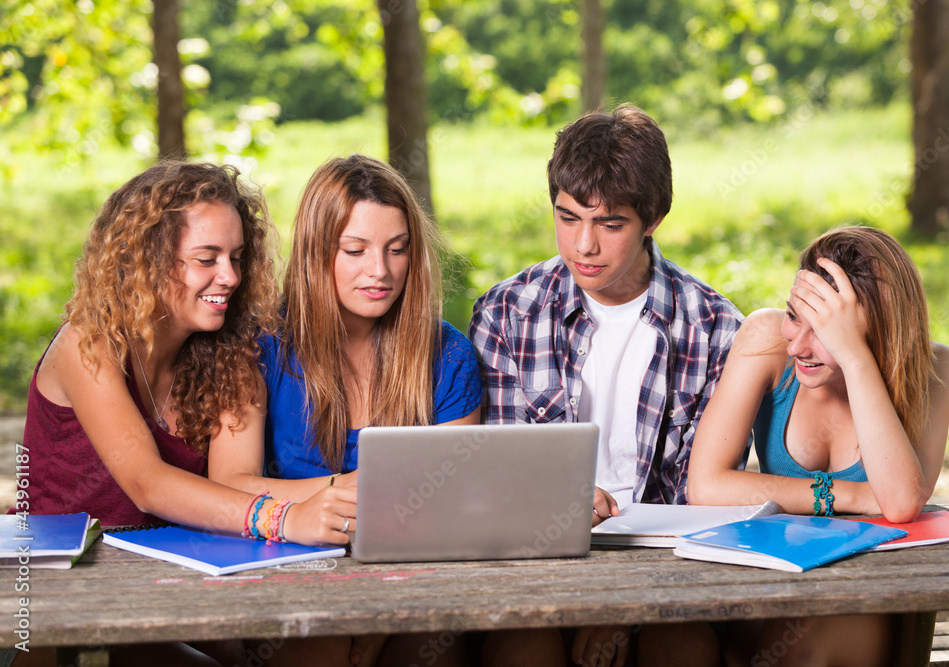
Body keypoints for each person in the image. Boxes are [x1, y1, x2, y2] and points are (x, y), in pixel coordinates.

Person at [11, 162, 352, 667]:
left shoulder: (230, 352)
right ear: (146, 261)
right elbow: (148, 483)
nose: (230, 277)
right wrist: (287, 518)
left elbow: (235, 482)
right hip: (63, 596)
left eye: (237, 257)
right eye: (205, 259)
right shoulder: (89, 342)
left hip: (174, 583)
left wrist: (350, 489)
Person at [469, 103, 743, 666]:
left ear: (653, 220)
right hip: (533, 562)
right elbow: (494, 478)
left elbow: (706, 507)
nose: (583, 246)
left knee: (684, 654)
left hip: (667, 575)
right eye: (568, 218)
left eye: (610, 224)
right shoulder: (507, 312)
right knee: (524, 651)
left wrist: (626, 608)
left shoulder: (715, 328)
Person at [208, 154, 483, 667]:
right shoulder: (258, 343)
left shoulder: (449, 357)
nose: (379, 271)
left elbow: (451, 512)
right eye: (354, 250)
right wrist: (344, 491)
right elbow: (226, 482)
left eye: (396, 250)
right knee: (323, 645)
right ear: (316, 253)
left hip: (414, 583)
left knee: (427, 648)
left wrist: (376, 627)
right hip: (287, 572)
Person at [687, 225, 949, 666]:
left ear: (878, 332)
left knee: (816, 634)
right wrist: (852, 495)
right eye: (795, 315)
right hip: (774, 580)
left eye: (825, 332)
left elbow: (902, 501)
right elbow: (705, 486)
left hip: (866, 592)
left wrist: (855, 357)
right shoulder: (765, 338)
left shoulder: (935, 368)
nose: (797, 345)